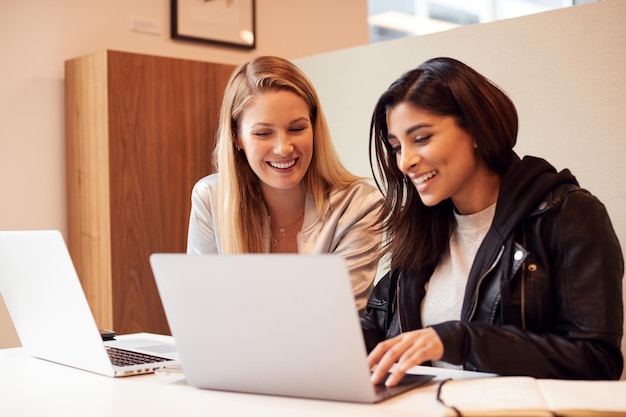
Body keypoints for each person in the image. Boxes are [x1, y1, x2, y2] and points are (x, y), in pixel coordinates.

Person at [362, 57, 624, 386]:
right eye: (397, 147)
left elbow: (597, 360)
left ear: (474, 129)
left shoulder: (567, 214)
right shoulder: (423, 229)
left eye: (422, 138)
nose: (406, 162)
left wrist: (463, 340)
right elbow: (376, 326)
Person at [187, 56, 383, 314]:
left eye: (297, 128)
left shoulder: (360, 206)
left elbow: (336, 320)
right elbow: (200, 311)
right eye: (263, 133)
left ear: (314, 128)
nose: (283, 148)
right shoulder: (210, 198)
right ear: (237, 138)